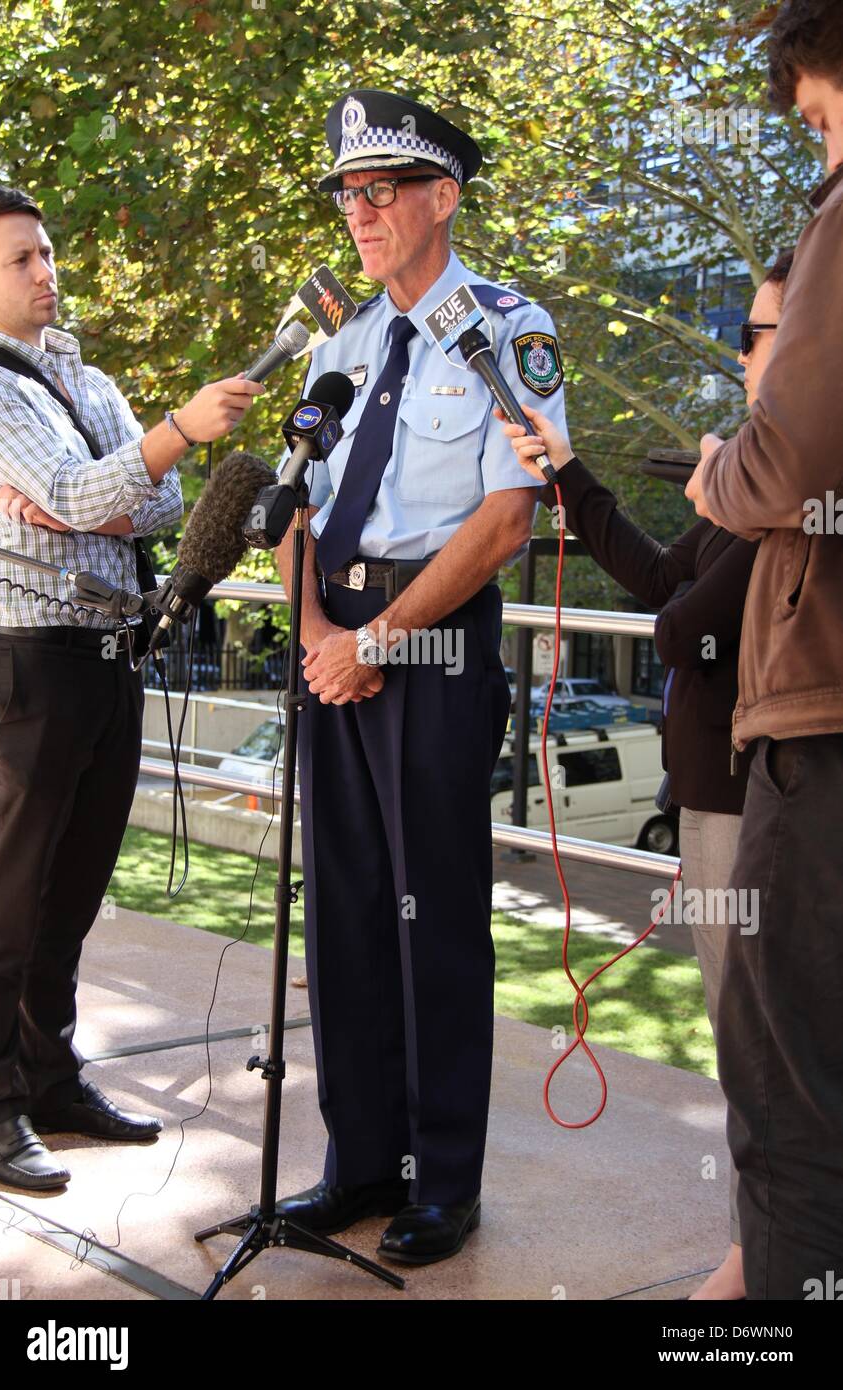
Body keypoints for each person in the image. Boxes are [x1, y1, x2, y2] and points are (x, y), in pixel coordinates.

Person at [272, 89, 568, 1264]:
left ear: (442, 197)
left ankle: (441, 1182)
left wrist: (374, 640)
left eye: (381, 189)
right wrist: (308, 632)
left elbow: (504, 518)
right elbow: (294, 497)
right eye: (349, 192)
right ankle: (358, 1166)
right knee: (343, 915)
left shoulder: (506, 326)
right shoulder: (339, 342)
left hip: (429, 646)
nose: (360, 211)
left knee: (428, 920)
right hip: (328, 642)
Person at [499, 251, 793, 1300]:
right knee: (748, 1036)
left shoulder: (784, 476)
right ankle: (756, 1249)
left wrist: (724, 481)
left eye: (760, 334)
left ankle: (754, 1262)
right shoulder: (753, 476)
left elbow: (676, 625)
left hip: (743, 792)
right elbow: (664, 574)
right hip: (714, 791)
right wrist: (567, 472)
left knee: (756, 1043)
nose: (747, 352)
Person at [0, 182, 263, 1192]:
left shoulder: (88, 382)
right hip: (27, 663)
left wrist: (95, 496)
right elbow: (81, 490)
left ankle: (50, 1079)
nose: (46, 271)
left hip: (111, 656)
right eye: (20, 259)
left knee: (74, 891)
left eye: (48, 253)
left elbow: (162, 500)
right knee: (3, 902)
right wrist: (156, 444)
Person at [685, 0, 843, 1300]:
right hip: (759, 755)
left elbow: (783, 468)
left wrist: (720, 472)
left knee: (787, 1080)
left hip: (807, 753)